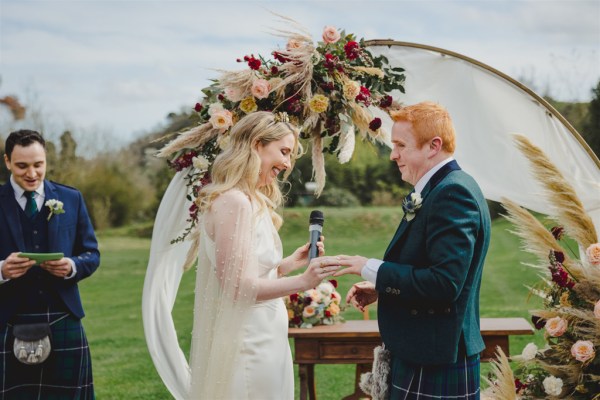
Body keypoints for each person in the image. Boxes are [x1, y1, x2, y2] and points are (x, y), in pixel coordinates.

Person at [146, 111, 339, 400]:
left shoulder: (249, 199)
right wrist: (305, 281)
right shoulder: (234, 202)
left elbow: (252, 272)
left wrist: (287, 265)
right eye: (283, 151)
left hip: (266, 337)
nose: (287, 164)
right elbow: (238, 288)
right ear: (257, 144)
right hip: (249, 342)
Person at [333, 102, 491, 399]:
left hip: (435, 356)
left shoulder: (453, 193)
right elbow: (427, 268)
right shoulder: (442, 188)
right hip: (428, 350)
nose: (393, 155)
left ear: (433, 146)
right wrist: (383, 286)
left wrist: (369, 267)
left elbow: (445, 284)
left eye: (400, 145)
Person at [0, 129, 100, 398]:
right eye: (22, 166)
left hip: (63, 316)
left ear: (46, 161)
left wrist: (72, 266)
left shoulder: (71, 198)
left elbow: (91, 254)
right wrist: (1, 270)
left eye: (38, 165)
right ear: (7, 161)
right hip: (7, 318)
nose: (31, 173)